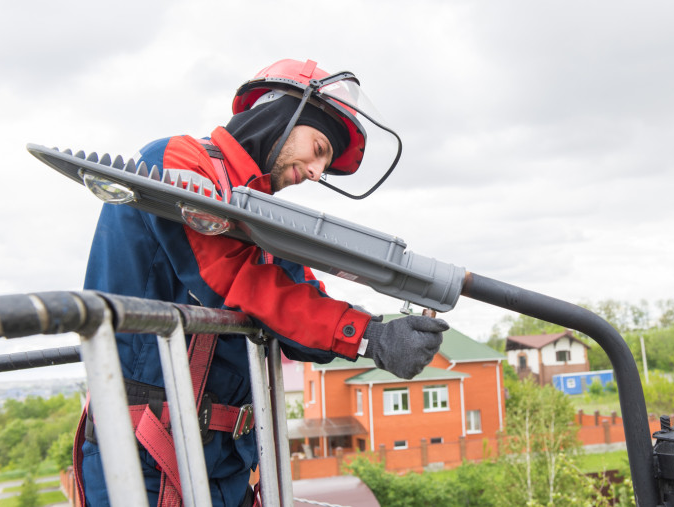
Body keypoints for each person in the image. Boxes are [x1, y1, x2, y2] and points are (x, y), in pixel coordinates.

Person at [76, 58, 449, 506]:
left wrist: (381, 335)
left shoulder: (263, 219)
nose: (315, 171)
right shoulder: (176, 162)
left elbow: (301, 309)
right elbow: (231, 280)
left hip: (224, 459)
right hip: (148, 452)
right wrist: (364, 335)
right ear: (281, 114)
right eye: (318, 148)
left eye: (325, 164)